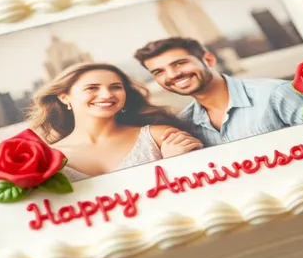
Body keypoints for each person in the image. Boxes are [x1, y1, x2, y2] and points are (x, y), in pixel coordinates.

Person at [26, 62, 203, 181]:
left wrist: (175, 163)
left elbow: (202, 182)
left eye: (115, 87)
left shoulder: (160, 136)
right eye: (92, 88)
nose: (107, 95)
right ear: (64, 97)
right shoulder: (44, 161)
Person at [133, 37, 303, 147]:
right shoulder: (184, 125)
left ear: (208, 59)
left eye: (179, 63)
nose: (173, 75)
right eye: (159, 72)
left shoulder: (275, 94)